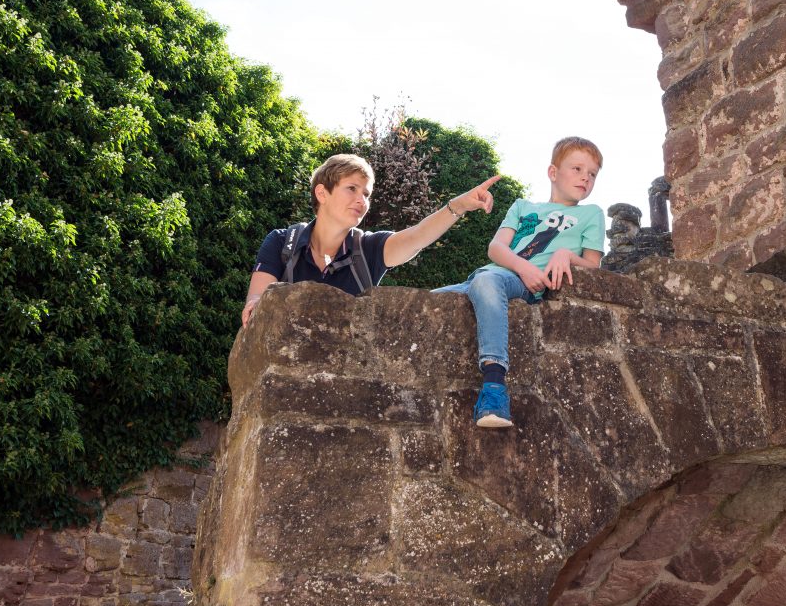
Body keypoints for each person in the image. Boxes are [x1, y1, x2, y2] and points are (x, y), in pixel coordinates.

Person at [434, 137, 604, 428]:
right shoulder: (522, 206)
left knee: (487, 282)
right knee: (429, 300)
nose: (585, 177)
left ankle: (494, 387)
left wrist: (566, 255)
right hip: (494, 274)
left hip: (524, 285)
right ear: (553, 172)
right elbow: (495, 249)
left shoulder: (591, 214)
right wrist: (522, 267)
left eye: (592, 174)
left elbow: (594, 265)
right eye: (577, 168)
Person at [242, 153, 499, 325]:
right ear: (322, 193)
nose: (361, 201)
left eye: (366, 194)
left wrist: (458, 206)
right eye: (352, 189)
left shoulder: (368, 248)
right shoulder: (281, 242)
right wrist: (253, 305)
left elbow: (417, 237)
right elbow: (258, 300)